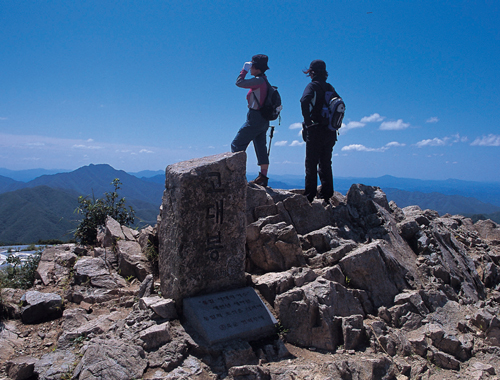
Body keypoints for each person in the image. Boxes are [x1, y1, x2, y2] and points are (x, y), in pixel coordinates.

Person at [300, 59, 340, 203]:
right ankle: (326, 194)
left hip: (315, 129)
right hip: (330, 131)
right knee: (326, 163)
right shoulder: (330, 87)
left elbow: (304, 100)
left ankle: (309, 196)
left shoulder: (312, 86)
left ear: (311, 72)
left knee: (311, 163)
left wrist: (308, 122)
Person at [231, 54, 271, 187]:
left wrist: (244, 70)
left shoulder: (259, 81)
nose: (250, 67)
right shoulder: (264, 81)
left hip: (255, 118)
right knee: (260, 147)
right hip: (264, 120)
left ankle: (237, 176)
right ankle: (263, 177)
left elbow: (239, 83)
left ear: (256, 67)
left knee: (237, 145)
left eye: (252, 65)